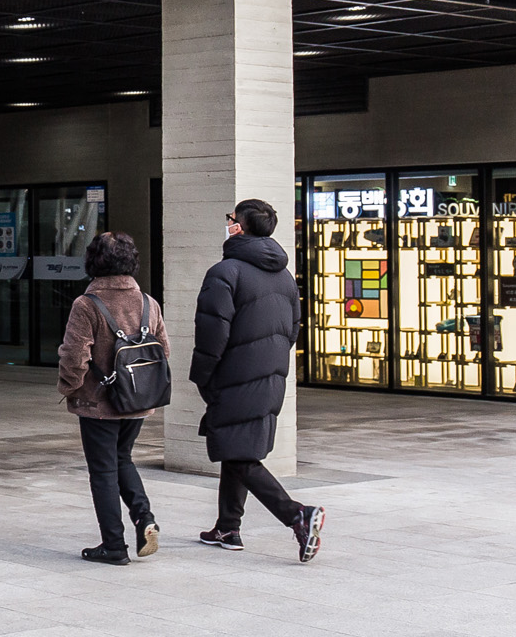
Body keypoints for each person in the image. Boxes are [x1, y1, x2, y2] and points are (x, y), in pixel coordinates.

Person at [191, 197, 325, 563]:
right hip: (270, 377)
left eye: (231, 218)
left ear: (240, 226)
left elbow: (211, 333)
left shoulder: (225, 272)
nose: (228, 222)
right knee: (239, 447)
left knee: (237, 451)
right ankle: (227, 527)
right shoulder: (284, 276)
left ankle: (296, 514)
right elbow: (293, 329)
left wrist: (202, 376)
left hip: (233, 376)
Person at [58, 231, 168, 565]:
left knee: (103, 471)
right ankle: (144, 517)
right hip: (138, 400)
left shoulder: (86, 305)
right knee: (123, 459)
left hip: (99, 404)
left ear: (93, 261)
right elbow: (162, 351)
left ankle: (114, 545)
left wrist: (69, 388)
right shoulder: (148, 302)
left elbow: (75, 356)